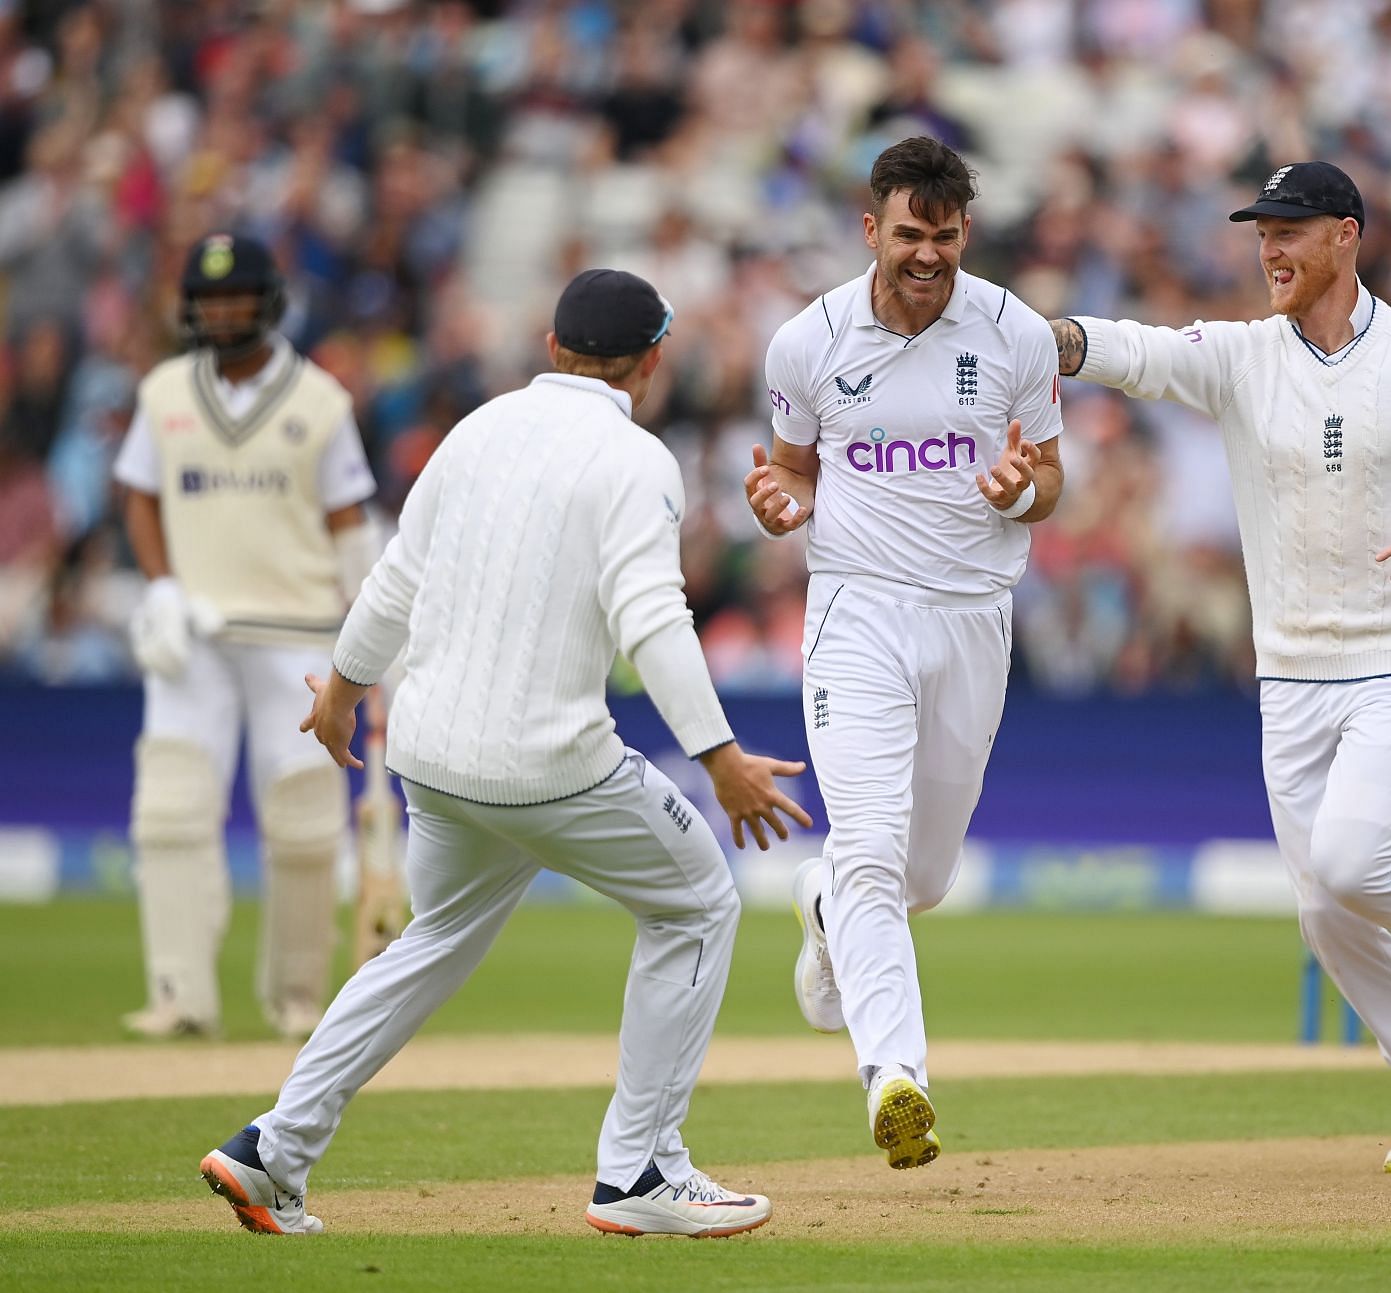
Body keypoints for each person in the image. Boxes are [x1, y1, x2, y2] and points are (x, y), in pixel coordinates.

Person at [199, 269, 809, 1238]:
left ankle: (272, 1149)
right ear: (651, 361)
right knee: (697, 902)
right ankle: (642, 1172)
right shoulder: (638, 457)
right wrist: (721, 756)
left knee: (431, 942)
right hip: (548, 764)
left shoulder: (475, 429)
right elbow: (652, 617)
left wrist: (346, 693)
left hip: (433, 758)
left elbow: (399, 574)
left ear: (553, 347)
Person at [1051, 162, 1391, 1174]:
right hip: (1289, 672)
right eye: (1260, 234)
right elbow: (1136, 353)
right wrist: (1041, 335)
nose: (1270, 251)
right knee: (1327, 915)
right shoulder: (1242, 356)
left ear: (1347, 235)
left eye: (1290, 230)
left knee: (1347, 863)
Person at [743, 136, 1065, 1169]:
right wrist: (781, 504)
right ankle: (897, 1077)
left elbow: (1050, 477)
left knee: (917, 878)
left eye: (946, 235)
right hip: (858, 615)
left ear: (966, 230)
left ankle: (827, 900)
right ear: (871, 229)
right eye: (909, 234)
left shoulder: (1013, 329)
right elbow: (792, 472)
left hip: (974, 614)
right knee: (874, 848)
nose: (928, 255)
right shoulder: (808, 341)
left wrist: (1023, 490)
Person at [113, 232, 382, 1041]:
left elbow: (349, 527)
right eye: (208, 299)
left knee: (304, 818)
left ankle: (298, 997)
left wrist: (375, 635)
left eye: (235, 298)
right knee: (169, 808)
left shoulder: (319, 402)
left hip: (298, 633)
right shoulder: (164, 390)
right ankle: (178, 993)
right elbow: (139, 496)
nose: (222, 312)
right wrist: (160, 583)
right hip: (191, 631)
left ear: (268, 302)